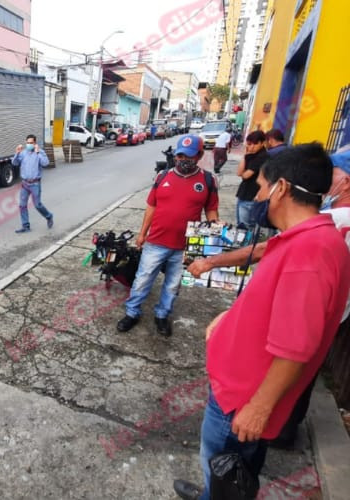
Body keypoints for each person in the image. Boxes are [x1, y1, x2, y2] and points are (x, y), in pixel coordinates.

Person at [173, 143, 350, 500]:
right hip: (241, 390)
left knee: (224, 466)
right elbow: (262, 261)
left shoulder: (309, 255)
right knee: (234, 473)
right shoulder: (310, 235)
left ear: (282, 188)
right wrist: (228, 312)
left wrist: (258, 409)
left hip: (241, 398)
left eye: (263, 187)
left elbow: (295, 348)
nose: (259, 196)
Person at [116, 134, 219, 337]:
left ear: (199, 155)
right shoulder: (162, 177)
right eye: (180, 155)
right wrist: (142, 234)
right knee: (142, 280)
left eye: (188, 156)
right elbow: (151, 207)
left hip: (186, 245)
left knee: (173, 285)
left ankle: (162, 315)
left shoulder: (207, 180)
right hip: (156, 241)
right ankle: (132, 312)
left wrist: (216, 229)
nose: (183, 160)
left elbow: (211, 211)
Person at [12, 134, 53, 233]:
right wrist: (17, 153)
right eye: (28, 143)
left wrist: (38, 152)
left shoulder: (40, 152)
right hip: (25, 184)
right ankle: (25, 226)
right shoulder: (23, 153)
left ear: (35, 143)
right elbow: (15, 163)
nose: (29, 144)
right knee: (22, 205)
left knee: (37, 205)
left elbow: (45, 163)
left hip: (35, 184)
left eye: (31, 143)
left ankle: (49, 216)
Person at [235, 130, 269, 227]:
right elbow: (239, 173)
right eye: (250, 144)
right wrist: (245, 156)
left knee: (246, 227)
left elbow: (246, 175)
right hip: (244, 194)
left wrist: (244, 171)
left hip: (252, 196)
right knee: (241, 225)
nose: (252, 147)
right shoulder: (251, 155)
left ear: (262, 143)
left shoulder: (262, 157)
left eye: (255, 144)